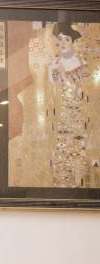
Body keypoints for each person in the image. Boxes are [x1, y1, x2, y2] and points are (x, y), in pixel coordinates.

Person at [48, 22, 89, 188]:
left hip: (78, 116)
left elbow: (80, 93)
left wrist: (64, 75)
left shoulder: (82, 63)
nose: (63, 43)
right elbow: (52, 93)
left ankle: (77, 188)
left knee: (77, 152)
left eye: (67, 39)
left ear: (73, 42)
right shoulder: (54, 64)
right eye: (60, 39)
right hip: (60, 116)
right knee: (60, 153)